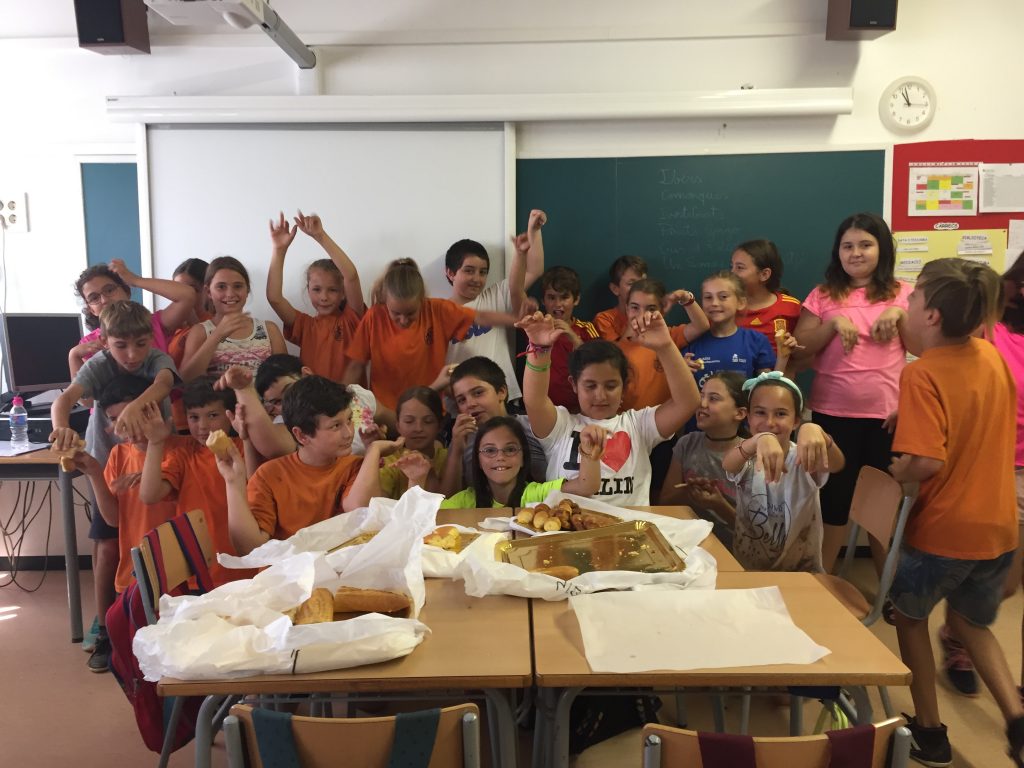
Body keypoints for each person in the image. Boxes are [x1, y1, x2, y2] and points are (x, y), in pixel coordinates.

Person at [886, 258, 1024, 767]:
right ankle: (1017, 719)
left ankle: (930, 732)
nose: (908, 304)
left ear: (933, 316)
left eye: (915, 298)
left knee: (909, 618)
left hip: (945, 531)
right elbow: (973, 412)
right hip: (997, 526)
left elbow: (927, 461)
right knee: (969, 623)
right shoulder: (989, 354)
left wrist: (900, 468)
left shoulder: (921, 373)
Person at [52, 301, 181, 670]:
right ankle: (107, 629)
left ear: (150, 339)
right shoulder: (99, 364)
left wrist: (137, 407)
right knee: (109, 547)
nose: (132, 355)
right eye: (121, 346)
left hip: (155, 457)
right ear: (104, 342)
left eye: (140, 344)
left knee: (161, 542)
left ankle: (166, 621)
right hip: (110, 462)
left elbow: (164, 383)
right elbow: (65, 399)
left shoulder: (157, 360)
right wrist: (61, 428)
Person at [791, 213, 912, 572]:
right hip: (832, 415)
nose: (856, 253)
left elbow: (924, 346)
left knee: (882, 506)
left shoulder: (905, 293)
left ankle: (887, 588)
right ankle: (823, 580)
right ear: (838, 252)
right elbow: (799, 350)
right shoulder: (823, 295)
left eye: (865, 245)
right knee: (833, 502)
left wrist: (900, 315)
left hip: (887, 417)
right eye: (847, 246)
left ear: (882, 249)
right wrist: (831, 323)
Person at [518, 309, 700, 507]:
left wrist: (665, 346)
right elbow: (534, 400)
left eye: (611, 386)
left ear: (624, 386)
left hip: (630, 525)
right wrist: (540, 350)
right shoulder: (560, 425)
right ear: (574, 385)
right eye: (590, 386)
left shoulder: (639, 425)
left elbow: (687, 402)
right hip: (567, 524)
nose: (600, 396)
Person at [214, 376, 401, 556]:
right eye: (335, 426)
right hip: (289, 574)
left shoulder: (355, 466)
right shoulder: (269, 475)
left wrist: (373, 451)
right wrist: (233, 483)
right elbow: (250, 549)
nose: (348, 433)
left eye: (349, 420)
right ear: (302, 435)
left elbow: (361, 512)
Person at [67, 376, 178, 673]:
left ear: (153, 410)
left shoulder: (180, 450)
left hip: (176, 574)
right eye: (115, 420)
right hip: (133, 572)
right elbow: (113, 519)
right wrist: (93, 471)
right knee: (135, 660)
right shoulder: (118, 454)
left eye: (129, 415)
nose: (123, 426)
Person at [342, 258, 514, 410]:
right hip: (386, 411)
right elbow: (356, 365)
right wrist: (342, 403)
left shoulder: (437, 310)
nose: (403, 320)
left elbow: (480, 316)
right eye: (395, 313)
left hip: (429, 408)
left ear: (422, 301)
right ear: (386, 301)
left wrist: (518, 319)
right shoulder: (374, 316)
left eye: (410, 313)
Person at [722, 372, 844, 572]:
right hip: (749, 568)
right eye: (760, 412)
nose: (769, 422)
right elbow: (728, 464)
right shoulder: (747, 455)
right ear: (748, 417)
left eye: (780, 414)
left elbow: (837, 464)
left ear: (796, 420)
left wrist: (817, 431)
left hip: (798, 570)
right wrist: (757, 440)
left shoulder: (804, 456)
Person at [138, 378, 254, 586]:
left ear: (230, 415)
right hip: (200, 571)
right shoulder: (184, 455)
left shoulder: (243, 448)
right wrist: (155, 443)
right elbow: (149, 495)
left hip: (247, 567)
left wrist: (246, 438)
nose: (202, 426)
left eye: (212, 415)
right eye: (194, 417)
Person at [444, 209, 546, 403]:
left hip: (503, 399)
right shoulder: (437, 312)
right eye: (469, 271)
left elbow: (534, 270)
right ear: (450, 272)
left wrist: (534, 231)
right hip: (461, 405)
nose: (477, 279)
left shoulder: (496, 295)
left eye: (483, 272)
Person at [266, 211, 366, 382]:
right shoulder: (305, 326)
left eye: (332, 290)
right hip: (312, 398)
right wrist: (279, 250)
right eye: (317, 289)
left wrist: (320, 236)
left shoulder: (352, 320)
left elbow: (351, 276)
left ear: (343, 293)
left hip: (349, 398)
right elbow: (274, 298)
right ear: (308, 290)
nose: (324, 297)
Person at [434, 416, 606, 508]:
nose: (500, 457)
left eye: (510, 449)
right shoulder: (466, 501)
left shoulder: (534, 494)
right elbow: (426, 516)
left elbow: (586, 486)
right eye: (490, 450)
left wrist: (589, 451)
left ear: (523, 457)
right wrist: (419, 477)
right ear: (478, 460)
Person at [661, 371, 748, 549]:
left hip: (732, 551)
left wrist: (719, 505)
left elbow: (754, 533)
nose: (702, 404)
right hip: (687, 545)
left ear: (739, 413)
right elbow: (664, 502)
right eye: (701, 396)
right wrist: (689, 491)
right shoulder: (687, 443)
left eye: (713, 398)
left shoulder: (750, 455)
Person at [69, 259, 196, 377]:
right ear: (91, 309)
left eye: (109, 290)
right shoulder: (88, 344)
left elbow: (188, 295)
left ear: (127, 291)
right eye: (94, 298)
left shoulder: (154, 323)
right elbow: (85, 393)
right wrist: (74, 355)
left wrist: (135, 280)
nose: (104, 300)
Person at [444, 356, 548, 496]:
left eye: (478, 393)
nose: (470, 404)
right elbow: (447, 501)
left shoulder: (533, 426)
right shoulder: (462, 439)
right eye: (461, 400)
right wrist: (456, 451)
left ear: (501, 392)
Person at [179, 256, 286, 381]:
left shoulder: (269, 329)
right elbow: (186, 378)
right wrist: (217, 335)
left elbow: (286, 376)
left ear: (247, 289)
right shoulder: (200, 331)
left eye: (238, 286)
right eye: (221, 287)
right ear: (208, 292)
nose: (230, 294)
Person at [618, 278, 707, 411]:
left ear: (662, 311)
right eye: (635, 307)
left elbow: (701, 325)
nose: (642, 315)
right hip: (630, 420)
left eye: (651, 308)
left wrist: (685, 297)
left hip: (667, 419)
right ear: (627, 308)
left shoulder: (667, 337)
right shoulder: (616, 349)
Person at [684, 271, 775, 388]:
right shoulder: (691, 341)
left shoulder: (756, 340)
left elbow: (768, 386)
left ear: (741, 303)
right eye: (708, 297)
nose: (714, 303)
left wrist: (784, 358)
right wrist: (681, 370)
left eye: (723, 297)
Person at [539, 266, 600, 412]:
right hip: (543, 408)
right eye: (551, 297)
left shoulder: (586, 328)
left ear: (576, 299)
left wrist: (573, 337)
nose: (558, 304)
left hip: (578, 409)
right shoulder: (536, 326)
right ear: (543, 300)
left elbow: (599, 364)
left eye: (564, 297)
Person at [731, 239, 802, 352]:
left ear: (764, 274)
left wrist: (794, 348)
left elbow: (804, 352)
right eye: (732, 266)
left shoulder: (791, 307)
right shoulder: (726, 306)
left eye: (740, 267)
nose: (732, 273)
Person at [377, 386, 448, 499]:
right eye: (409, 421)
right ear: (398, 426)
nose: (418, 428)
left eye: (428, 421)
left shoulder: (448, 459)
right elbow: (377, 504)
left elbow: (446, 502)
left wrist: (429, 472)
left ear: (439, 426)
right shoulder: (389, 462)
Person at [593, 255, 648, 341]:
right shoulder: (605, 319)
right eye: (631, 283)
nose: (641, 288)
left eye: (643, 282)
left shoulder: (651, 315)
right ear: (615, 289)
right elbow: (615, 349)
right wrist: (632, 323)